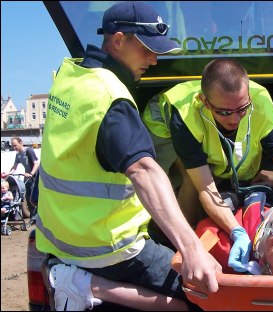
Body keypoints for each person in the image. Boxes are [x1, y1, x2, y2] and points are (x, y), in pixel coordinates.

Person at [36, 2, 219, 311]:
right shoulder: (111, 97)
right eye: (148, 48)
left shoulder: (69, 76)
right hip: (106, 247)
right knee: (204, 298)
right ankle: (88, 286)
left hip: (59, 238)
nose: (155, 59)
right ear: (118, 40)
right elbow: (144, 170)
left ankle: (81, 281)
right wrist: (191, 248)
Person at [142, 58, 273, 273]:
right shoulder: (184, 116)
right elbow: (205, 186)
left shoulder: (260, 101)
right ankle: (181, 242)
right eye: (224, 112)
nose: (234, 119)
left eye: (242, 109)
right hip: (162, 128)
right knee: (189, 181)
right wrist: (236, 231)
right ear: (204, 101)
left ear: (248, 95)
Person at [1, 137, 40, 219]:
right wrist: (7, 174)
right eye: (13, 146)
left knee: (35, 198)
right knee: (29, 199)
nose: (14, 148)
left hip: (34, 177)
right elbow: (14, 167)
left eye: (15, 145)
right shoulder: (18, 154)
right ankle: (33, 217)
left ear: (20, 142)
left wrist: (31, 173)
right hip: (27, 178)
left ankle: (40, 216)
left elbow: (36, 163)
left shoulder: (28, 151)